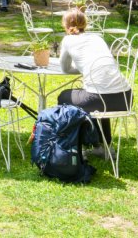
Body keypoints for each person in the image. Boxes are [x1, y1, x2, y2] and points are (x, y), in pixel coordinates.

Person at [56, 9, 132, 153]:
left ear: (65, 26)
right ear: (85, 23)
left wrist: (83, 69)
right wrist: (87, 68)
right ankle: (105, 147)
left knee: (64, 96)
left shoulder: (68, 40)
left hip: (99, 99)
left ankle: (74, 148)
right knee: (100, 97)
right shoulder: (97, 38)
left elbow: (65, 69)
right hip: (125, 98)